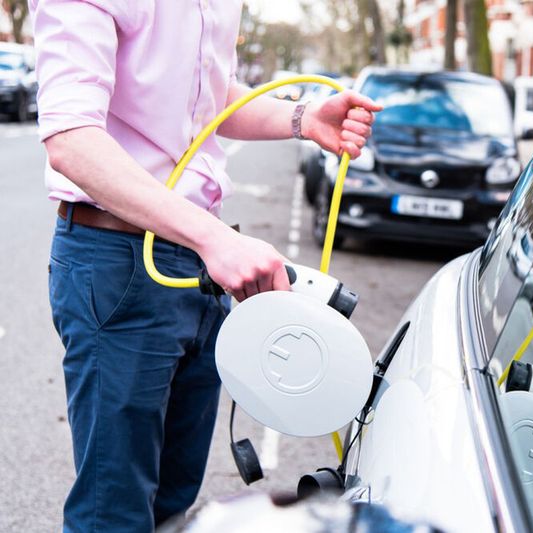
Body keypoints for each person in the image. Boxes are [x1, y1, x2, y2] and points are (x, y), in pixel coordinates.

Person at [31, 1, 381, 531]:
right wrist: (216, 240)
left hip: (198, 258)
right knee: (114, 511)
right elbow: (71, 138)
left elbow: (207, 96)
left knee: (172, 501)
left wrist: (303, 118)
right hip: (121, 257)